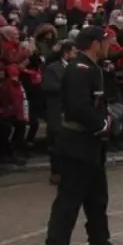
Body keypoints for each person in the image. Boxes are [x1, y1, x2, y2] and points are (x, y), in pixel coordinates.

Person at [44, 26, 123, 245]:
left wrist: (106, 118)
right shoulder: (79, 70)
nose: (109, 45)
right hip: (77, 142)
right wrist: (102, 123)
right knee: (69, 199)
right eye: (105, 41)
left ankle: (99, 242)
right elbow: (79, 107)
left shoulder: (92, 68)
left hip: (91, 143)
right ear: (94, 43)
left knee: (97, 196)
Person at [42, 40, 77, 184]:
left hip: (72, 109)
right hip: (57, 109)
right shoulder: (52, 68)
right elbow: (48, 87)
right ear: (66, 53)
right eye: (74, 52)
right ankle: (56, 171)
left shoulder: (76, 67)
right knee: (56, 142)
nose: (76, 54)